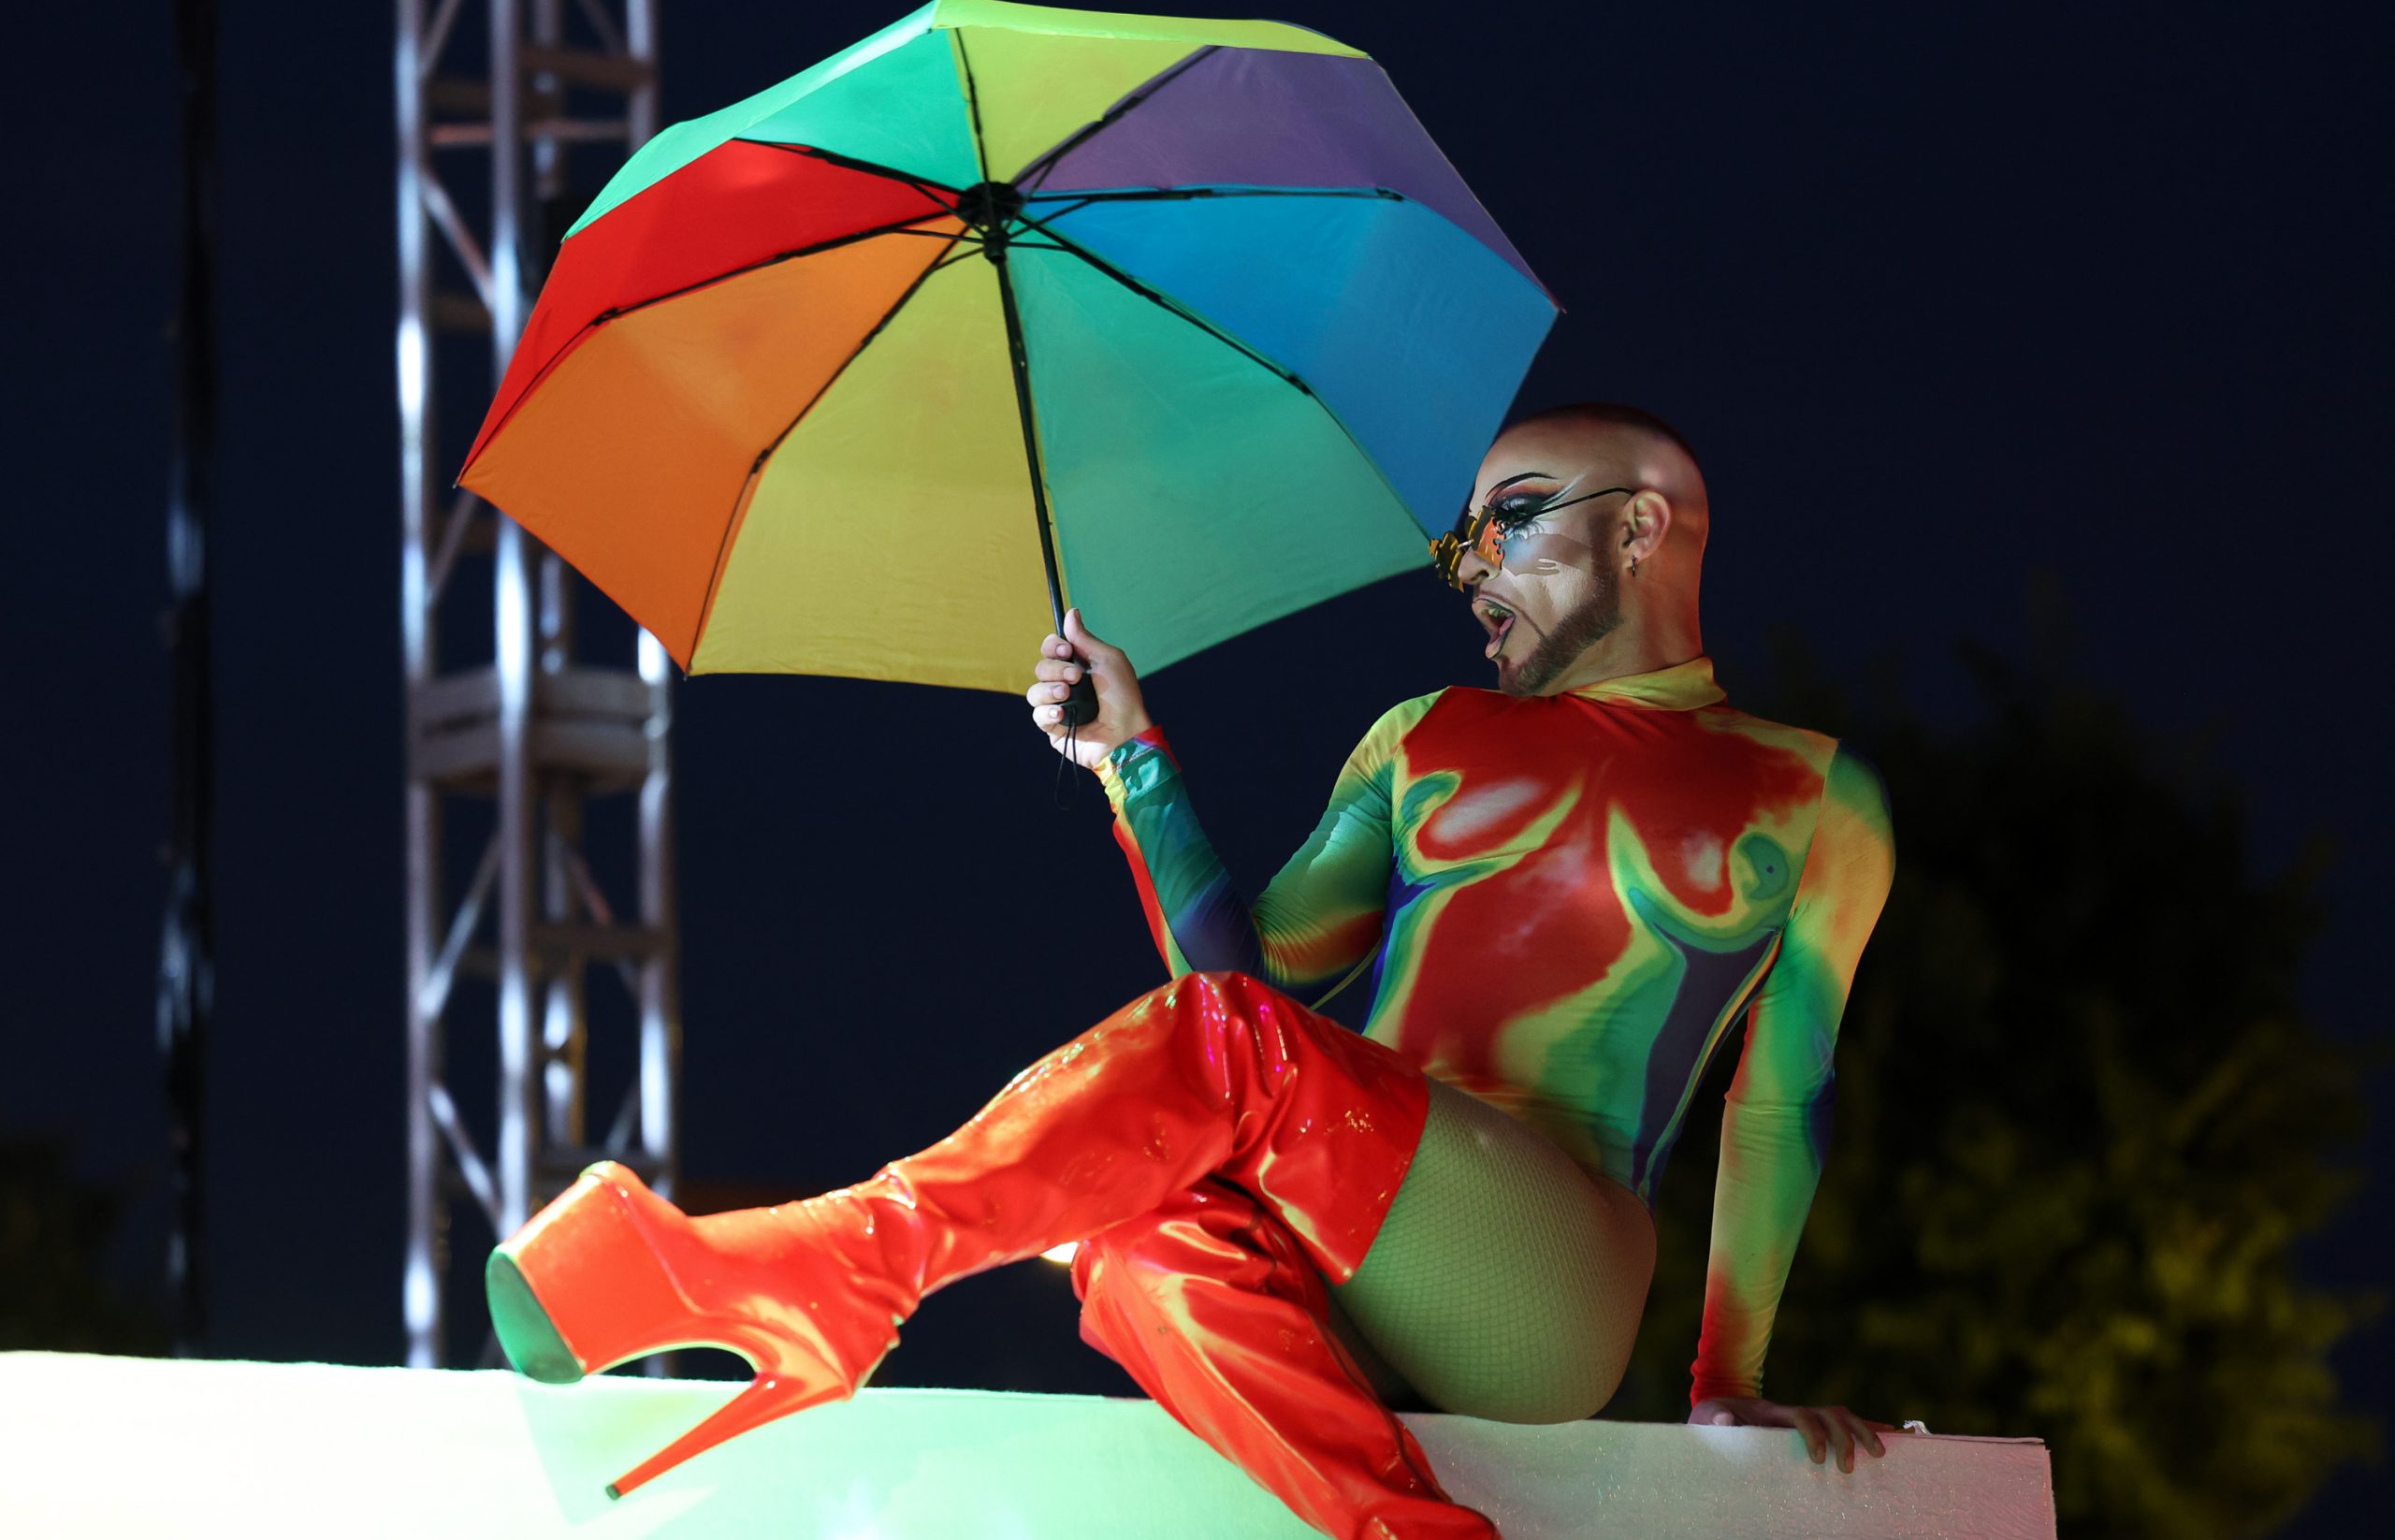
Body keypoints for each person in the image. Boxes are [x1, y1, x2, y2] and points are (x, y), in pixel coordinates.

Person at [487, 404, 1898, 1538]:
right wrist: (1131, 760)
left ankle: (835, 1269)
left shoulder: (1814, 796)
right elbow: (1250, 984)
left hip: (1549, 1282)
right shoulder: (1422, 732)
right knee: (1128, 1232)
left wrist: (1732, 1387)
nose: (1475, 571)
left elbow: (1780, 1107)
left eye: (1511, 523)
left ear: (1645, 525)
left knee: (1222, 1065)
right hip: (1343, 1233)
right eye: (1460, 544)